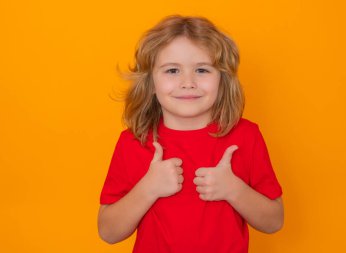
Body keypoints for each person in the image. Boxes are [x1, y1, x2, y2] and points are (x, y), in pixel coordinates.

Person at [98, 15, 284, 253]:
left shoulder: (246, 136)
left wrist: (233, 189)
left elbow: (274, 221)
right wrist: (148, 188)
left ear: (222, 80)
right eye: (172, 70)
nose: (188, 82)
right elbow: (108, 232)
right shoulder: (133, 142)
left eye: (202, 70)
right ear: (151, 83)